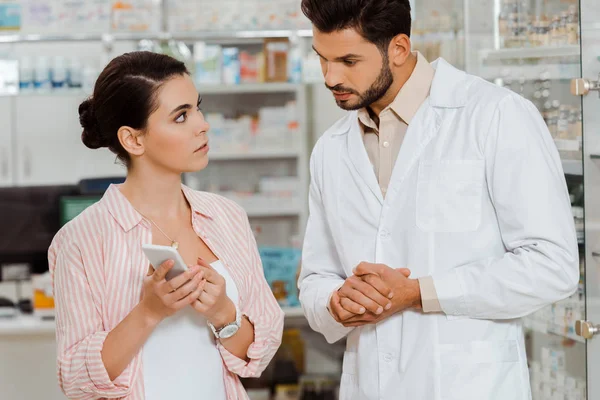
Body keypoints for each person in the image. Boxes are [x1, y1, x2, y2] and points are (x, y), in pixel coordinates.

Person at [297, 1, 580, 399]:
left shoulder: (494, 116)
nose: (331, 77)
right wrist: (335, 302)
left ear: (398, 48)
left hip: (469, 386)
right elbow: (315, 278)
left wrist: (421, 292)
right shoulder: (331, 149)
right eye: (322, 59)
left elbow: (553, 265)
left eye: (348, 60)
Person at [47, 51, 284, 400]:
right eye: (181, 116)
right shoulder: (80, 240)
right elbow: (76, 380)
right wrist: (148, 313)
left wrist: (222, 313)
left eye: (197, 107)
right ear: (133, 140)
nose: (202, 124)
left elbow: (258, 354)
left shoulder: (227, 217)